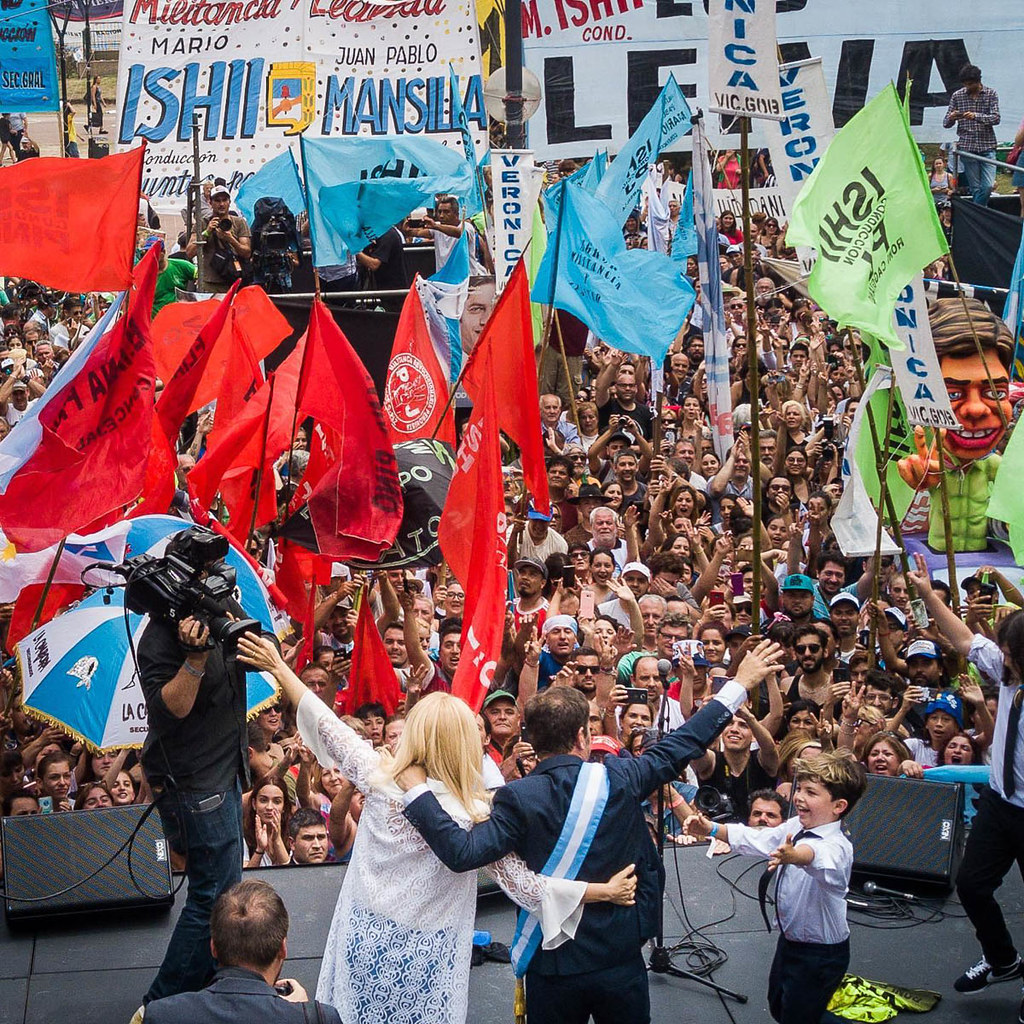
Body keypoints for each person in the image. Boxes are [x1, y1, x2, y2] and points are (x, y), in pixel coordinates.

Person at [235, 631, 637, 1024]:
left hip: (366, 944)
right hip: (429, 957)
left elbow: (326, 724)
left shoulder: (380, 776)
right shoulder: (476, 810)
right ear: (465, 743)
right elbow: (525, 885)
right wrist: (602, 891)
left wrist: (278, 667)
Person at [398, 639, 786, 1024]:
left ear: (531, 740)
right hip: (620, 954)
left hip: (552, 963)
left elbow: (462, 853)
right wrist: (739, 685)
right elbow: (686, 740)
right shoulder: (622, 776)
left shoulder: (515, 797)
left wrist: (416, 789)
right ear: (583, 737)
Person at [136, 527, 257, 1005]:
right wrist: (194, 659)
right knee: (211, 896)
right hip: (194, 784)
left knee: (223, 888)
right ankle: (160, 1003)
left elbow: (258, 646)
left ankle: (208, 982)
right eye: (205, 573)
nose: (215, 579)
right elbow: (172, 710)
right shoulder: (159, 640)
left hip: (224, 771)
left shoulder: (221, 606)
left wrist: (233, 616)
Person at [907, 553, 1024, 1005]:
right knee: (973, 886)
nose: (1002, 658)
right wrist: (924, 595)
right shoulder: (1009, 674)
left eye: (1011, 654)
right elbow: (964, 638)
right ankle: (1002, 961)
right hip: (999, 805)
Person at [684, 751, 867, 1024]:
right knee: (779, 1005)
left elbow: (816, 856)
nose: (800, 797)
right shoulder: (796, 825)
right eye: (800, 788)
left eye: (811, 793)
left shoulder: (838, 846)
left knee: (798, 1017)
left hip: (820, 954)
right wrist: (711, 828)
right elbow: (757, 838)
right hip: (791, 941)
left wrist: (795, 856)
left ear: (839, 806)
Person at [143, 880, 342, 1024]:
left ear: (213, 947)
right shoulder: (319, 1018)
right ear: (283, 948)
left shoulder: (161, 1015)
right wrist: (302, 1015)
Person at [943, 63, 1000, 206]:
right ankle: (980, 216)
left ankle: (976, 214)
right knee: (975, 188)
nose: (967, 87)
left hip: (987, 146)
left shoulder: (991, 94)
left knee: (987, 187)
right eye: (965, 84)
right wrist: (953, 117)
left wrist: (975, 116)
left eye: (970, 84)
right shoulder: (957, 96)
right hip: (967, 147)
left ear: (978, 81)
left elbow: (996, 118)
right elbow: (945, 123)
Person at [185, 184, 252, 294]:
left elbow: (246, 252)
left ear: (229, 202)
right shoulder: (202, 223)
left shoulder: (239, 222)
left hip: (234, 279)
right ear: (210, 203)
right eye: (217, 200)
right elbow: (189, 252)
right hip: (211, 282)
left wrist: (231, 239)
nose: (221, 204)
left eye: (224, 200)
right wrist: (207, 232)